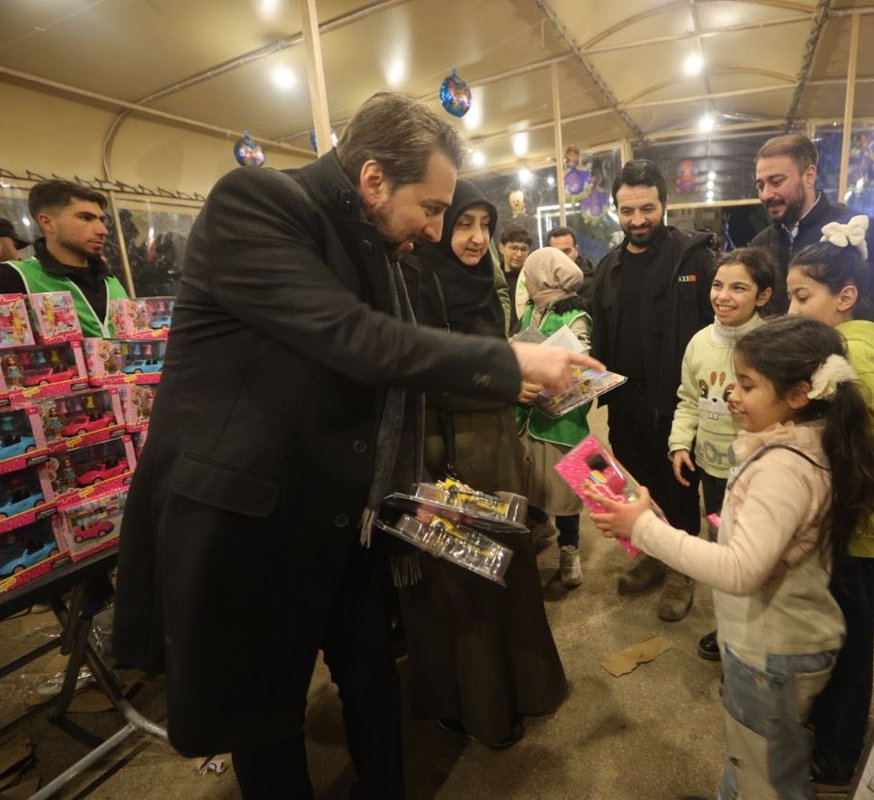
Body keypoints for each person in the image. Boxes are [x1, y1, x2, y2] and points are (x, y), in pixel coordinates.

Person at [111, 93, 597, 800]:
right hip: (252, 522)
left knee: (370, 673)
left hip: (345, 510)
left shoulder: (377, 244)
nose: (435, 230)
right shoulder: (256, 205)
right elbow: (354, 340)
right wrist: (511, 363)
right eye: (430, 209)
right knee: (265, 713)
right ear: (373, 180)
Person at [590, 314, 874, 800]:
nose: (733, 395)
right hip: (784, 640)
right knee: (756, 763)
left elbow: (741, 571)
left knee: (765, 777)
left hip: (771, 652)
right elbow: (784, 538)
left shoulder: (784, 467)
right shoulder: (812, 440)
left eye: (747, 385)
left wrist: (641, 528)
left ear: (798, 394)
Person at [400, 180, 566, 750]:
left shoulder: (480, 283)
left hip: (491, 446)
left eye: (484, 225)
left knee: (508, 573)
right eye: (462, 224)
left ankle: (519, 691)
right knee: (460, 584)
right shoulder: (415, 280)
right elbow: (415, 378)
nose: (476, 238)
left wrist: (519, 386)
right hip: (443, 455)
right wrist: (504, 380)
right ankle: (475, 707)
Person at [783, 217, 874, 791]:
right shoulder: (864, 340)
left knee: (850, 641)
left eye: (802, 297)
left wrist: (837, 489)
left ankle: (836, 756)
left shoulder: (852, 358)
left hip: (859, 532)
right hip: (860, 526)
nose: (791, 310)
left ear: (846, 297)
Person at [589, 158, 715, 622]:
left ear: (665, 203)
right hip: (625, 403)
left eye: (647, 208)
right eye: (627, 211)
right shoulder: (608, 268)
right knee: (640, 483)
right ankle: (657, 553)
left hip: (677, 402)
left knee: (679, 487)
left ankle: (683, 568)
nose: (637, 220)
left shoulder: (694, 258)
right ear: (615, 211)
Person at [667, 247, 774, 661]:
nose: (723, 296)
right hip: (712, 473)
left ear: (762, 296)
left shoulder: (769, 345)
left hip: (756, 474)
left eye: (738, 288)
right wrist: (680, 443)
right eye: (717, 285)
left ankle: (758, 633)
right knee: (721, 544)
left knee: (757, 553)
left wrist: (750, 405)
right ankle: (728, 625)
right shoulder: (698, 343)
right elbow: (688, 399)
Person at [749, 134, 874, 328]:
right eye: (760, 185)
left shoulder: (858, 230)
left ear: (809, 176)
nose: (766, 194)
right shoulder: (761, 244)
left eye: (776, 182)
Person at [0, 181, 127, 337]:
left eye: (101, 220)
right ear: (47, 223)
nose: (102, 230)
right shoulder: (16, 276)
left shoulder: (111, 281)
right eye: (86, 218)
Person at [515, 246, 593, 599]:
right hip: (528, 415)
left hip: (562, 421)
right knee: (533, 482)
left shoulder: (575, 315)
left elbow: (582, 371)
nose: (525, 280)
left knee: (566, 492)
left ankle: (570, 555)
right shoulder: (532, 308)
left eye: (529, 274)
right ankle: (537, 535)